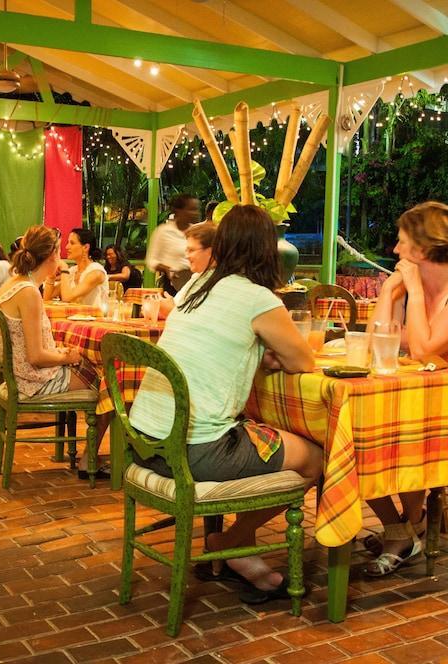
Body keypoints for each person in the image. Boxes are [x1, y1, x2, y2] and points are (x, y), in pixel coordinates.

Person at [129, 205, 322, 597]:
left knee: (255, 434)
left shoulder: (195, 286)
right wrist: (270, 354)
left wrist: (257, 354)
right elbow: (304, 361)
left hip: (146, 444)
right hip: (196, 453)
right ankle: (232, 542)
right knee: (315, 457)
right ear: (267, 250)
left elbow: (213, 343)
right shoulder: (258, 299)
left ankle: (238, 551)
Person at [363, 201, 448, 577]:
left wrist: (410, 288)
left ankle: (407, 530)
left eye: (401, 241)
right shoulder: (418, 285)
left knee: (397, 433)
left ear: (423, 250)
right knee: (356, 433)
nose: (394, 249)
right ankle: (404, 529)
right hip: (423, 394)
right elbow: (378, 343)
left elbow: (424, 350)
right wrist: (389, 292)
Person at [0, 226, 102, 477]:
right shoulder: (28, 292)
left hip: (19, 374)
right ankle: (90, 459)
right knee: (108, 382)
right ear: (52, 255)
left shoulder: (13, 284)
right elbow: (36, 357)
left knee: (90, 368)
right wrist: (66, 357)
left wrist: (62, 354)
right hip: (33, 380)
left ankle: (87, 455)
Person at [158, 221, 216, 319]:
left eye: (191, 250)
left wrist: (171, 311)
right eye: (187, 250)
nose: (186, 256)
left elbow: (203, 321)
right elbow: (175, 306)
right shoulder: (198, 277)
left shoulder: (220, 283)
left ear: (210, 252)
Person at [146, 193, 198, 295]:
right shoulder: (163, 232)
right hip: (173, 285)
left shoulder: (197, 231)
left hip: (194, 283)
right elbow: (151, 261)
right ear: (179, 211)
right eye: (192, 209)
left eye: (196, 209)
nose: (196, 213)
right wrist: (167, 269)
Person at [44, 228, 108, 309]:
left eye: (72, 243)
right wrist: (51, 276)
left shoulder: (97, 272)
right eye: (68, 243)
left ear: (86, 247)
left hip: (95, 316)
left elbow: (67, 298)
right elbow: (47, 298)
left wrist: (64, 268)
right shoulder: (73, 271)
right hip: (75, 315)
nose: (67, 247)